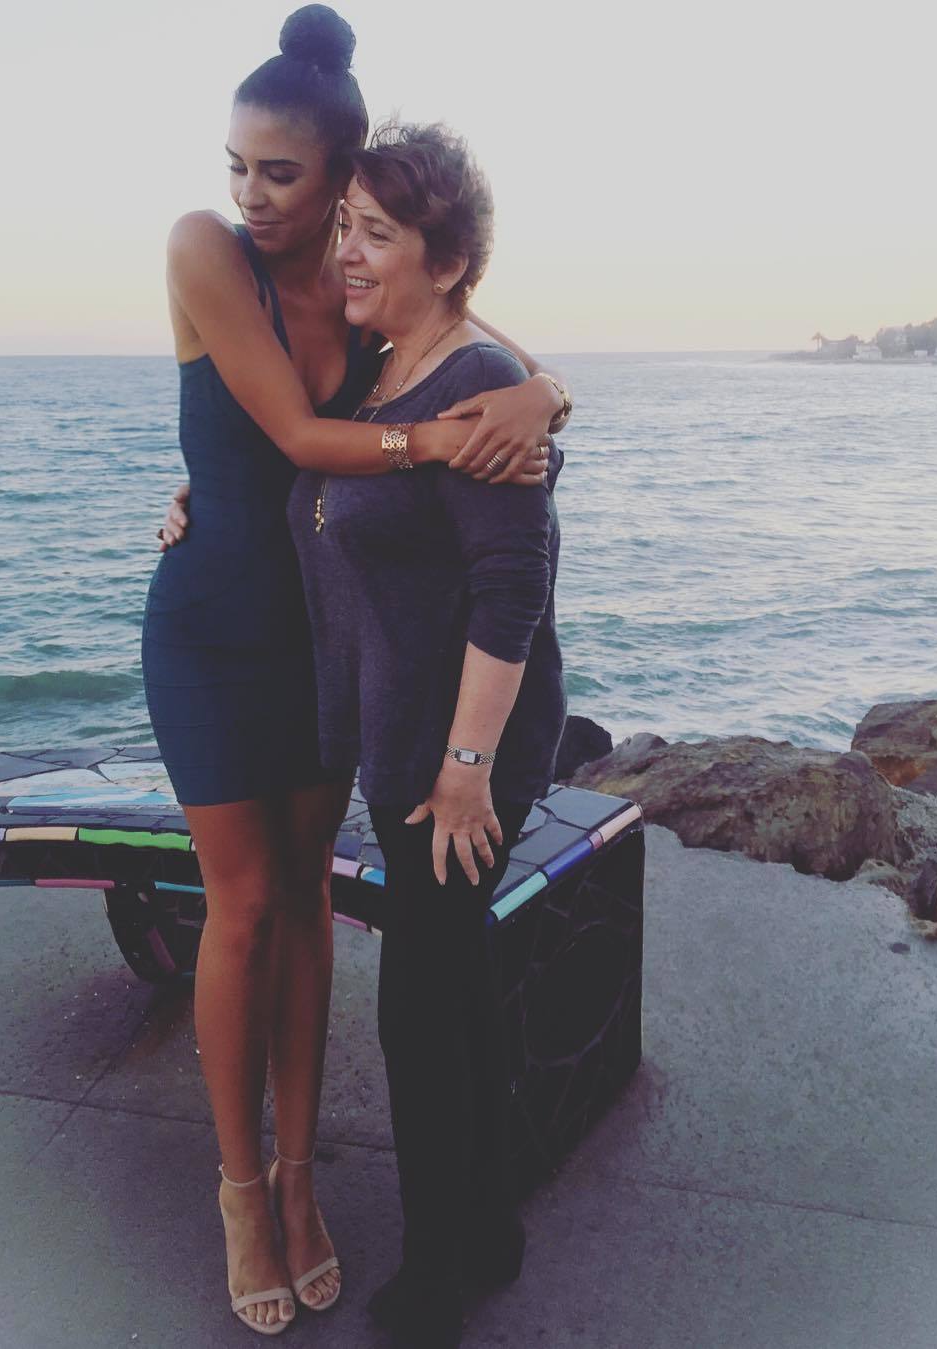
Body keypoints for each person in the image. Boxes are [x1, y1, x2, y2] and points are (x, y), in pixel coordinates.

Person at [140, 7, 572, 1337]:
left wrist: (542, 397)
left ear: (342, 179)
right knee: (245, 908)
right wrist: (442, 442)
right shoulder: (210, 250)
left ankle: (307, 1179)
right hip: (221, 635)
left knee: (324, 916)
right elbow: (288, 434)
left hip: (340, 660)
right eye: (237, 165)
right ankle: (244, 1195)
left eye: (283, 173)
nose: (252, 194)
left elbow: (483, 346)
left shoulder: (374, 291)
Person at [290, 122, 567, 1349]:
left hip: (458, 756)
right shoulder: (386, 369)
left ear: (448, 262)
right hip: (415, 741)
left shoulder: (472, 384)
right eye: (345, 227)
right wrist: (206, 494)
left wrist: (465, 774)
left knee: (419, 1013)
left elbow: (513, 589)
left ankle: (435, 1278)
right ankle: (488, 1224)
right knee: (452, 988)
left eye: (377, 234)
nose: (347, 253)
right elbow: (327, 479)